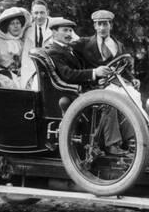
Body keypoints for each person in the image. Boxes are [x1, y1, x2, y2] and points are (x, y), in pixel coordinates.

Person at [46, 18, 130, 155]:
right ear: (54, 33)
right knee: (109, 103)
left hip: (83, 90)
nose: (68, 33)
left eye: (70, 30)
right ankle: (111, 145)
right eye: (64, 30)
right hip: (71, 94)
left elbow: (83, 66)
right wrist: (94, 73)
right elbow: (68, 75)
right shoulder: (54, 51)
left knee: (121, 96)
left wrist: (98, 78)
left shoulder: (70, 49)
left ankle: (129, 141)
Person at [73, 10, 140, 89]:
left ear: (111, 25)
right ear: (95, 26)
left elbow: (124, 67)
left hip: (118, 83)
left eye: (105, 24)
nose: (102, 28)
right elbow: (65, 46)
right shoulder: (84, 43)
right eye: (99, 24)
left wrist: (132, 79)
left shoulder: (119, 45)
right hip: (96, 87)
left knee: (134, 96)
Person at [0, 7, 32, 88]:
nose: (16, 26)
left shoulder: (23, 42)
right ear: (7, 26)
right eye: (12, 23)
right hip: (2, 76)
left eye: (18, 23)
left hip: (21, 75)